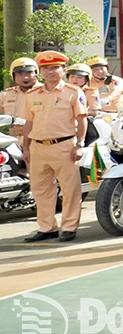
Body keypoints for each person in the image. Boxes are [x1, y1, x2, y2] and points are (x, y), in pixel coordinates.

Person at [18, 52, 87, 242]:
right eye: (46, 69)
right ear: (40, 72)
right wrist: (26, 148)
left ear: (63, 70)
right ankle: (47, 227)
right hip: (38, 147)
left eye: (55, 68)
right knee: (41, 190)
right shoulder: (33, 95)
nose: (50, 72)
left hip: (64, 145)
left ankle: (69, 227)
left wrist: (79, 144)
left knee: (70, 189)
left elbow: (82, 120)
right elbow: (28, 123)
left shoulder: (73, 92)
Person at [2, 57, 41, 139]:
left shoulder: (46, 92)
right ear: (13, 76)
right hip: (13, 144)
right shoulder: (7, 95)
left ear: (36, 73)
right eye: (20, 74)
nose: (25, 77)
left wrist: (28, 129)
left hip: (39, 143)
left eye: (29, 73)